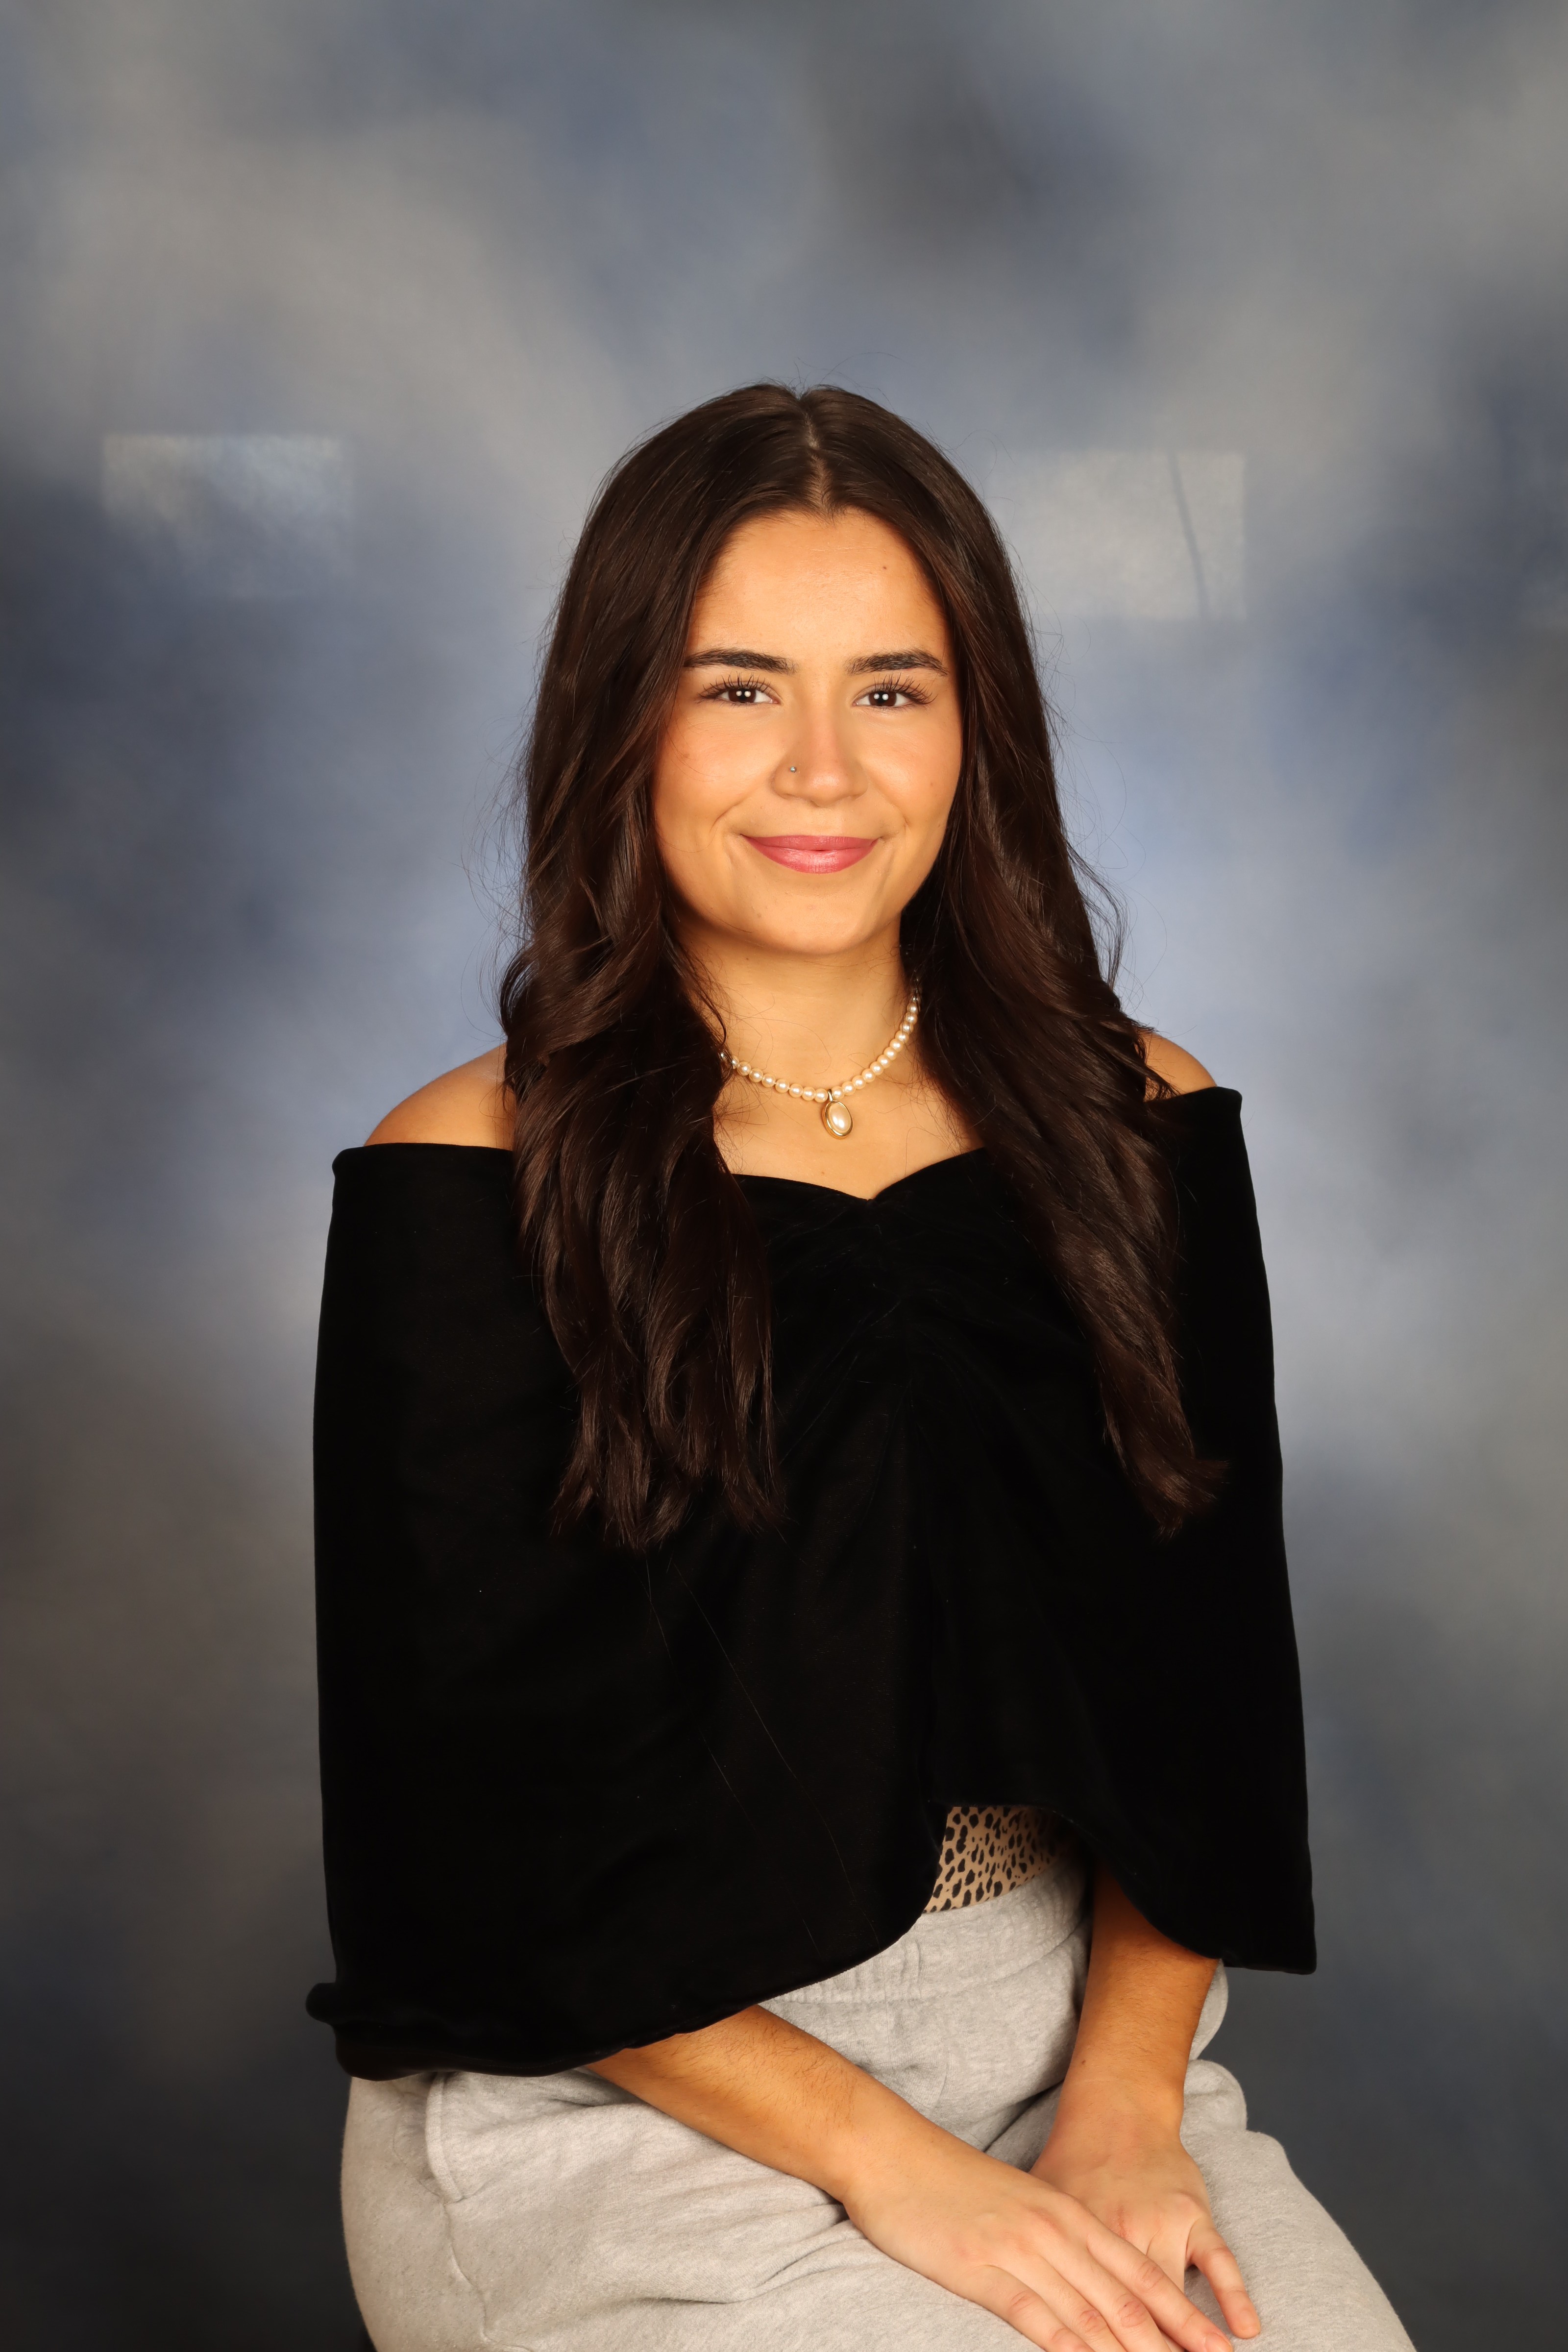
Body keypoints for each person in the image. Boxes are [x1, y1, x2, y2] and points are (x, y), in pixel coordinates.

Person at [309, 384, 1414, 2351]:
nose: (820, 767)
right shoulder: (467, 1173)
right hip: (624, 2090)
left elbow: (1211, 1703)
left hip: (1062, 2043)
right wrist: (900, 2174)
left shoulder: (1133, 1121)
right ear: (621, 722)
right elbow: (474, 1855)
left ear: (974, 731)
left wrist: (1122, 2115)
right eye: (739, 688)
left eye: (890, 690)